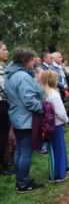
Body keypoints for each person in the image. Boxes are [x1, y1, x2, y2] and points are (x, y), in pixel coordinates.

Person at [5, 47, 44, 192]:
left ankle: (21, 179)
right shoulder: (22, 76)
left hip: (16, 117)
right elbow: (29, 100)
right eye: (32, 59)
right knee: (25, 152)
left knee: (20, 150)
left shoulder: (11, 74)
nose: (34, 61)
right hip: (25, 119)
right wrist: (43, 108)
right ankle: (23, 184)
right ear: (25, 60)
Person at [41, 70, 69, 182]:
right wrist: (66, 119)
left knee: (53, 148)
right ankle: (58, 174)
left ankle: (60, 169)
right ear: (52, 80)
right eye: (56, 78)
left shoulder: (43, 92)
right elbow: (60, 111)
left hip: (48, 124)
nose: (58, 81)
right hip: (56, 124)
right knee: (59, 149)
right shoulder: (54, 94)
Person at [0, 41, 12, 175]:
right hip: (2, 105)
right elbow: (5, 89)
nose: (7, 52)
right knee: (2, 136)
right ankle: (3, 167)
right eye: (4, 49)